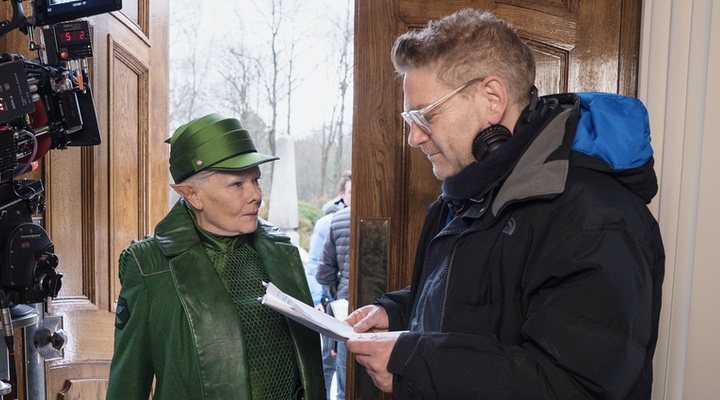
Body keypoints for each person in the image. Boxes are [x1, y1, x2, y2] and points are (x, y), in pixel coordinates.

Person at [345, 9, 664, 400]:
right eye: (409, 118)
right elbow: (480, 299)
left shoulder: (597, 218)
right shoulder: (464, 197)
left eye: (425, 116)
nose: (414, 137)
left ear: (492, 98)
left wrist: (416, 362)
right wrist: (398, 313)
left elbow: (572, 387)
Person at [106, 113, 325, 400]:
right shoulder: (148, 265)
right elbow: (128, 384)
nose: (255, 195)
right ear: (192, 194)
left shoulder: (282, 251)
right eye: (237, 184)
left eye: (255, 180)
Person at [306, 171, 351, 399]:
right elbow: (316, 265)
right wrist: (320, 299)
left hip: (340, 303)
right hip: (335, 305)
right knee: (329, 360)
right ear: (342, 195)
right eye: (351, 192)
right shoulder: (329, 223)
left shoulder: (337, 221)